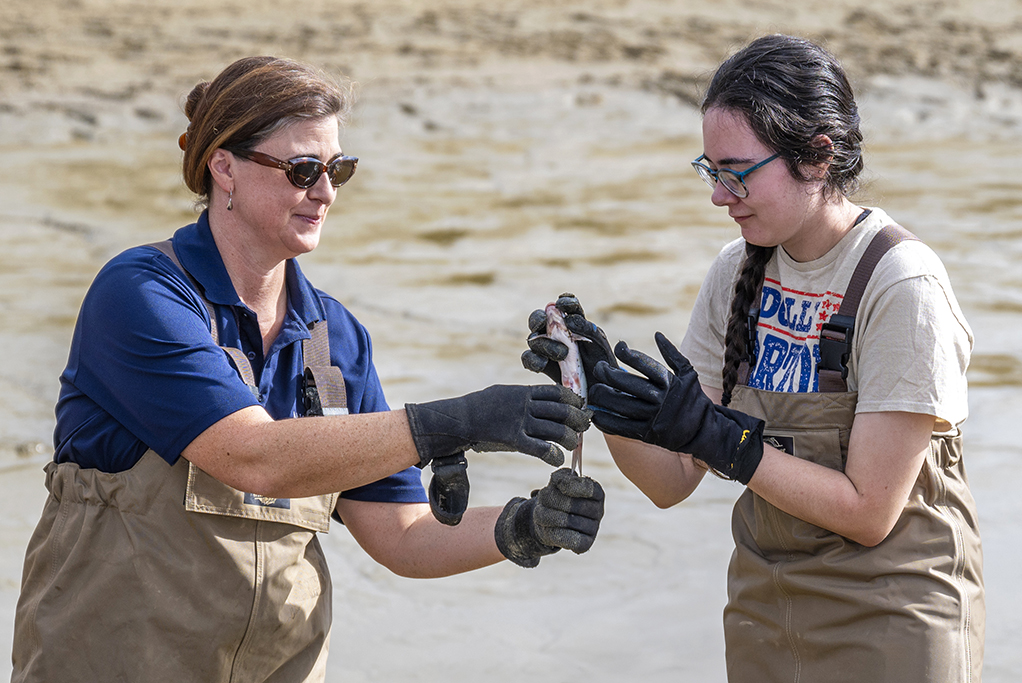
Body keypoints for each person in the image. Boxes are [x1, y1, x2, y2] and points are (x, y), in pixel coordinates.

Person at [12, 55, 606, 683]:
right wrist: (452, 424)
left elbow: (402, 534)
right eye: (302, 170)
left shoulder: (337, 337)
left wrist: (525, 526)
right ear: (224, 168)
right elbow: (253, 456)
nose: (324, 192)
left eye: (337, 169)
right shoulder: (140, 294)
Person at [524, 35, 983, 683]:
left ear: (817, 156)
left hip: (896, 620)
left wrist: (730, 445)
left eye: (736, 171)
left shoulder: (900, 284)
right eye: (710, 171)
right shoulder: (736, 271)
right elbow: (670, 481)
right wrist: (608, 400)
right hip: (765, 614)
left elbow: (870, 511)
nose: (719, 195)